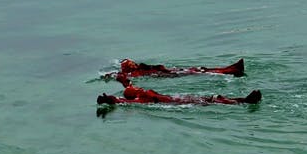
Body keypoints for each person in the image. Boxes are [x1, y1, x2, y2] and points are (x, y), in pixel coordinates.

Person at [96, 74, 262, 105]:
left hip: (178, 99)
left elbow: (128, 88)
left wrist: (121, 79)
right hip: (178, 103)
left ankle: (243, 100)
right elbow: (123, 100)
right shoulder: (141, 98)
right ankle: (244, 102)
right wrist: (109, 99)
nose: (138, 88)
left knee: (213, 98)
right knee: (212, 101)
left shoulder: (138, 93)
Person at [106, 58, 244, 79]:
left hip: (168, 74)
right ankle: (230, 70)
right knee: (198, 70)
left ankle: (230, 70)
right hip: (169, 72)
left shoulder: (135, 74)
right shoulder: (140, 69)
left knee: (197, 71)